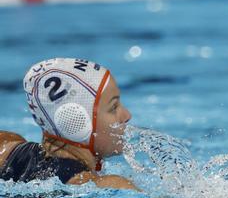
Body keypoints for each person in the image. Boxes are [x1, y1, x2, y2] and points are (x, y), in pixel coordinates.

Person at [0, 58, 137, 190]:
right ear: (75, 120)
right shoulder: (106, 186)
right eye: (113, 107)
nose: (127, 115)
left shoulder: (6, 147)